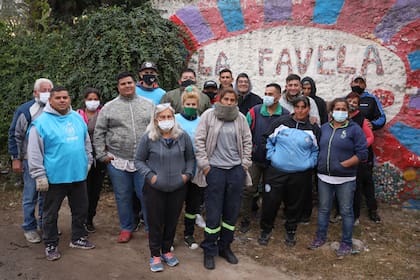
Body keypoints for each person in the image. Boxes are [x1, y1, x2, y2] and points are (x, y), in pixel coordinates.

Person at [27, 86, 94, 261]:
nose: (62, 100)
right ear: (50, 100)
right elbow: (34, 152)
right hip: (53, 178)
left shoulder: (77, 118)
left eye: (65, 97)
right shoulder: (40, 123)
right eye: (58, 98)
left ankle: (78, 237)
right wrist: (39, 175)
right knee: (50, 213)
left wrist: (88, 161)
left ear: (69, 99)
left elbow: (86, 142)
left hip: (78, 175)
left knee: (80, 210)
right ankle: (50, 244)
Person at [195, 87, 252, 270]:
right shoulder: (208, 116)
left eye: (232, 100)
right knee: (213, 213)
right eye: (226, 99)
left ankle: (225, 247)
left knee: (231, 211)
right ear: (219, 99)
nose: (229, 102)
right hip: (215, 171)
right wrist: (205, 167)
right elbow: (199, 141)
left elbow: (247, 141)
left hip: (235, 171)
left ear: (236, 102)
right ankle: (209, 249)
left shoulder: (241, 118)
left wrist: (244, 165)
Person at [93, 72, 154, 243]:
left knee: (146, 196)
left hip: (144, 161)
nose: (127, 86)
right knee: (123, 195)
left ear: (135, 84)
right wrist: (101, 155)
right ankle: (126, 227)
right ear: (118, 87)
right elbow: (99, 132)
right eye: (123, 84)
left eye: (129, 82)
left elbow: (157, 128)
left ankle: (151, 227)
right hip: (118, 160)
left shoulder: (148, 105)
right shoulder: (109, 108)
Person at [135, 103, 194, 272]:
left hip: (177, 187)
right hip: (155, 188)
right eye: (162, 117)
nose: (166, 120)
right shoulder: (148, 137)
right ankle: (155, 254)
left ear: (174, 119)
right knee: (155, 222)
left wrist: (186, 176)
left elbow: (190, 158)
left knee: (171, 221)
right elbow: (138, 160)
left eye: (169, 117)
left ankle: (167, 250)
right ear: (156, 120)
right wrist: (151, 177)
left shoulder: (182, 137)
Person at [308, 98, 368, 258]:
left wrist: (345, 164)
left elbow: (362, 153)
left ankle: (346, 242)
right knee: (324, 209)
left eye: (343, 109)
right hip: (324, 177)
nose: (340, 112)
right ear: (331, 111)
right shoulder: (325, 128)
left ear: (348, 112)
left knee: (346, 211)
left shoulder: (354, 129)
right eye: (337, 108)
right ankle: (320, 237)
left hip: (345, 179)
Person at [258, 96, 320, 247]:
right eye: (297, 107)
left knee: (294, 203)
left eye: (303, 107)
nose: (299, 110)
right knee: (270, 202)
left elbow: (316, 150)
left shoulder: (313, 129)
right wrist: (271, 156)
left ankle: (291, 230)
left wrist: (309, 163)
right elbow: (266, 139)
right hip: (276, 171)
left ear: (308, 109)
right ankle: (266, 229)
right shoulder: (281, 123)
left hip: (300, 175)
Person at [239, 83, 289, 233]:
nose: (267, 96)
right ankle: (246, 218)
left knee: (270, 192)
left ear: (279, 96)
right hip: (255, 158)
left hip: (274, 161)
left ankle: (266, 221)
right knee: (248, 189)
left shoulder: (285, 115)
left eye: (271, 94)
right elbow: (245, 134)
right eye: (265, 93)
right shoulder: (254, 112)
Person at [8, 78, 53, 243]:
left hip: (50, 160)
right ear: (35, 92)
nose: (47, 93)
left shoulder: (55, 109)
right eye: (43, 90)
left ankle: (44, 224)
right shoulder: (26, 110)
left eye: (50, 89)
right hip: (29, 160)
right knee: (30, 195)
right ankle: (29, 227)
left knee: (47, 195)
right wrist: (16, 158)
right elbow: (15, 134)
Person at [350, 75, 385, 222]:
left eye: (360, 82)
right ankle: (346, 210)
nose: (358, 84)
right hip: (349, 149)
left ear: (365, 84)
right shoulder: (347, 99)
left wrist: (373, 124)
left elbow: (382, 118)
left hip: (365, 147)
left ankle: (372, 210)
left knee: (367, 180)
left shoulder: (371, 99)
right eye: (355, 82)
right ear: (351, 84)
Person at [174, 86, 204, 250]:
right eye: (188, 103)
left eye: (194, 104)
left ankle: (189, 234)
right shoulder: (175, 119)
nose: (191, 107)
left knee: (193, 204)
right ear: (183, 103)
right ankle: (169, 237)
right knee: (175, 204)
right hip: (179, 168)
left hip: (197, 169)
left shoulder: (202, 121)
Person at [76, 87, 106, 233]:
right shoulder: (77, 115)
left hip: (100, 157)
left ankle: (89, 219)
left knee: (95, 189)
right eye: (89, 99)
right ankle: (79, 220)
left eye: (95, 99)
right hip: (82, 157)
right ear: (84, 100)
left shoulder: (104, 114)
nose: (92, 102)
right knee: (83, 189)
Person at [346, 92, 375, 225]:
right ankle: (340, 212)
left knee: (357, 187)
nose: (351, 104)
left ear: (358, 106)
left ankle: (356, 215)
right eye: (349, 101)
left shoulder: (362, 119)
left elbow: (370, 137)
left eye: (355, 102)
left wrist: (358, 148)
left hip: (359, 159)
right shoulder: (340, 116)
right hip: (344, 158)